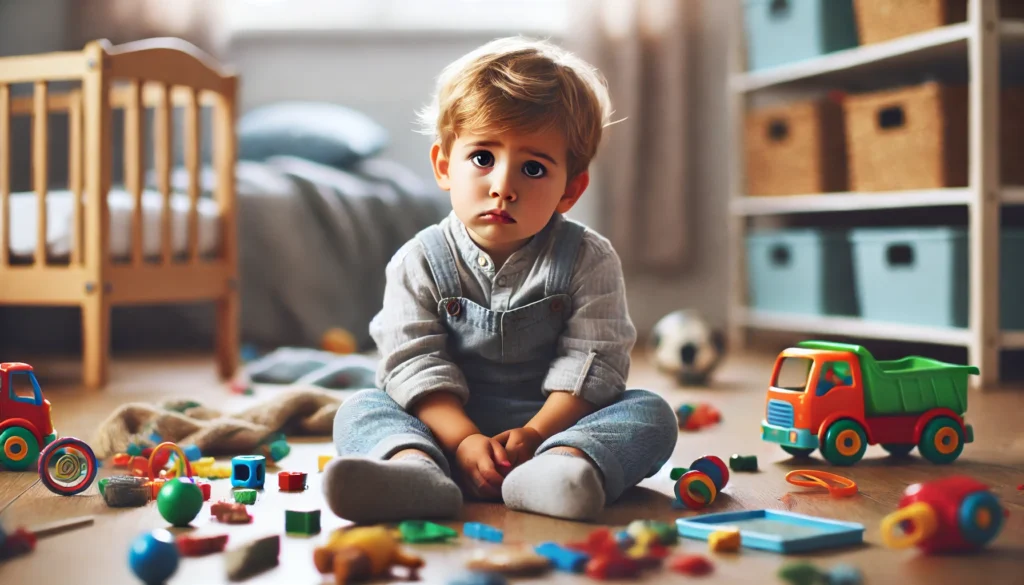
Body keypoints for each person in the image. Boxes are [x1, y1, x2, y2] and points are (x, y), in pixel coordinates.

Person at [323, 36, 678, 524]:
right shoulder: (418, 260)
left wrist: (534, 438)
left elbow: (593, 364)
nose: (503, 186)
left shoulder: (588, 259)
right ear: (445, 166)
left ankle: (563, 472)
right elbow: (413, 363)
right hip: (442, 432)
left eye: (533, 168)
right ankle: (417, 474)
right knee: (361, 407)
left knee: (652, 414)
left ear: (570, 189)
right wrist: (464, 440)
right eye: (483, 158)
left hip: (554, 430)